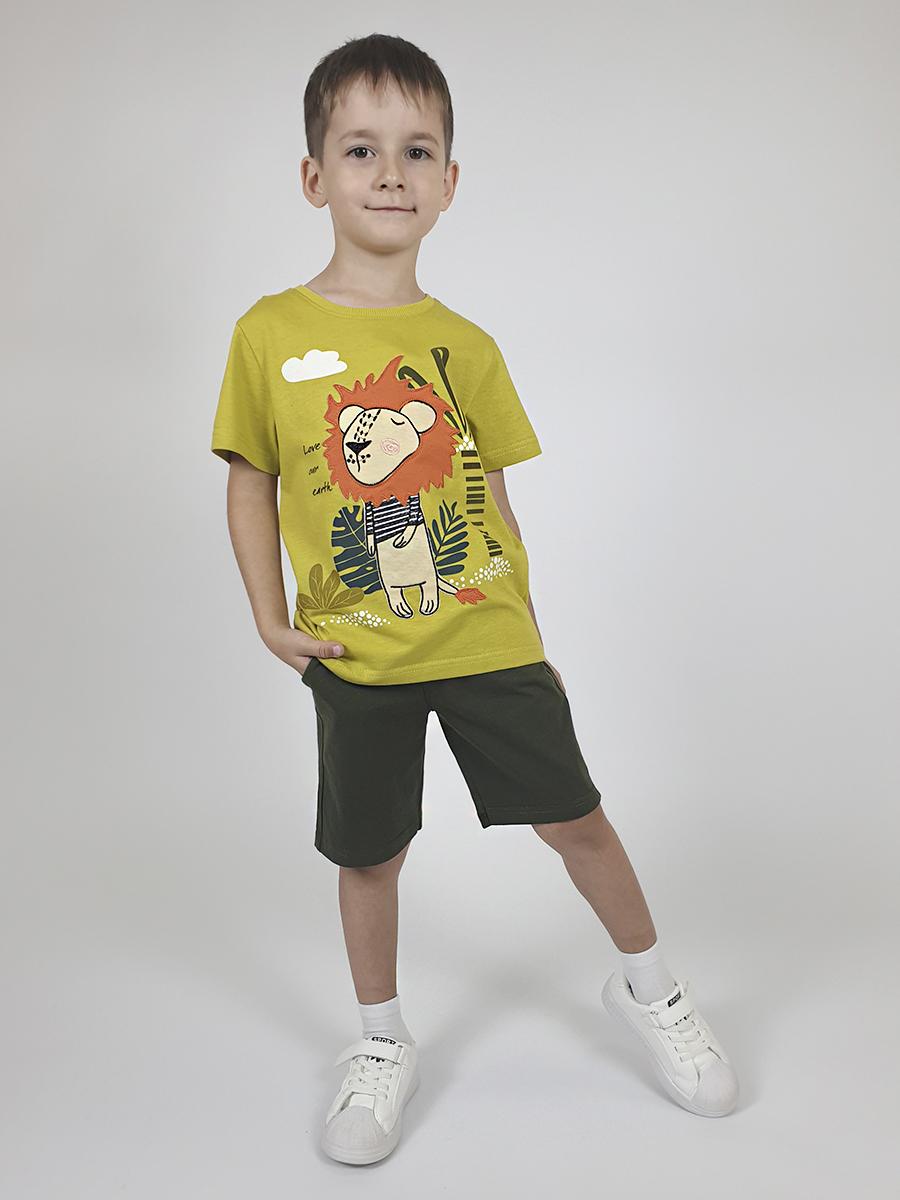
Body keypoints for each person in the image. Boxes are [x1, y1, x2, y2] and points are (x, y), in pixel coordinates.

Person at [210, 32, 739, 1166]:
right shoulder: (268, 334)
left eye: (417, 151)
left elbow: (491, 497)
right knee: (369, 854)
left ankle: (652, 989)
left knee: (576, 819)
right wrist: (266, 615)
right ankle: (380, 1040)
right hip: (356, 657)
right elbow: (251, 482)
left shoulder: (467, 347)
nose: (390, 173)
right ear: (314, 177)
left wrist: (530, 632)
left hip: (489, 639)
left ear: (449, 183)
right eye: (361, 149)